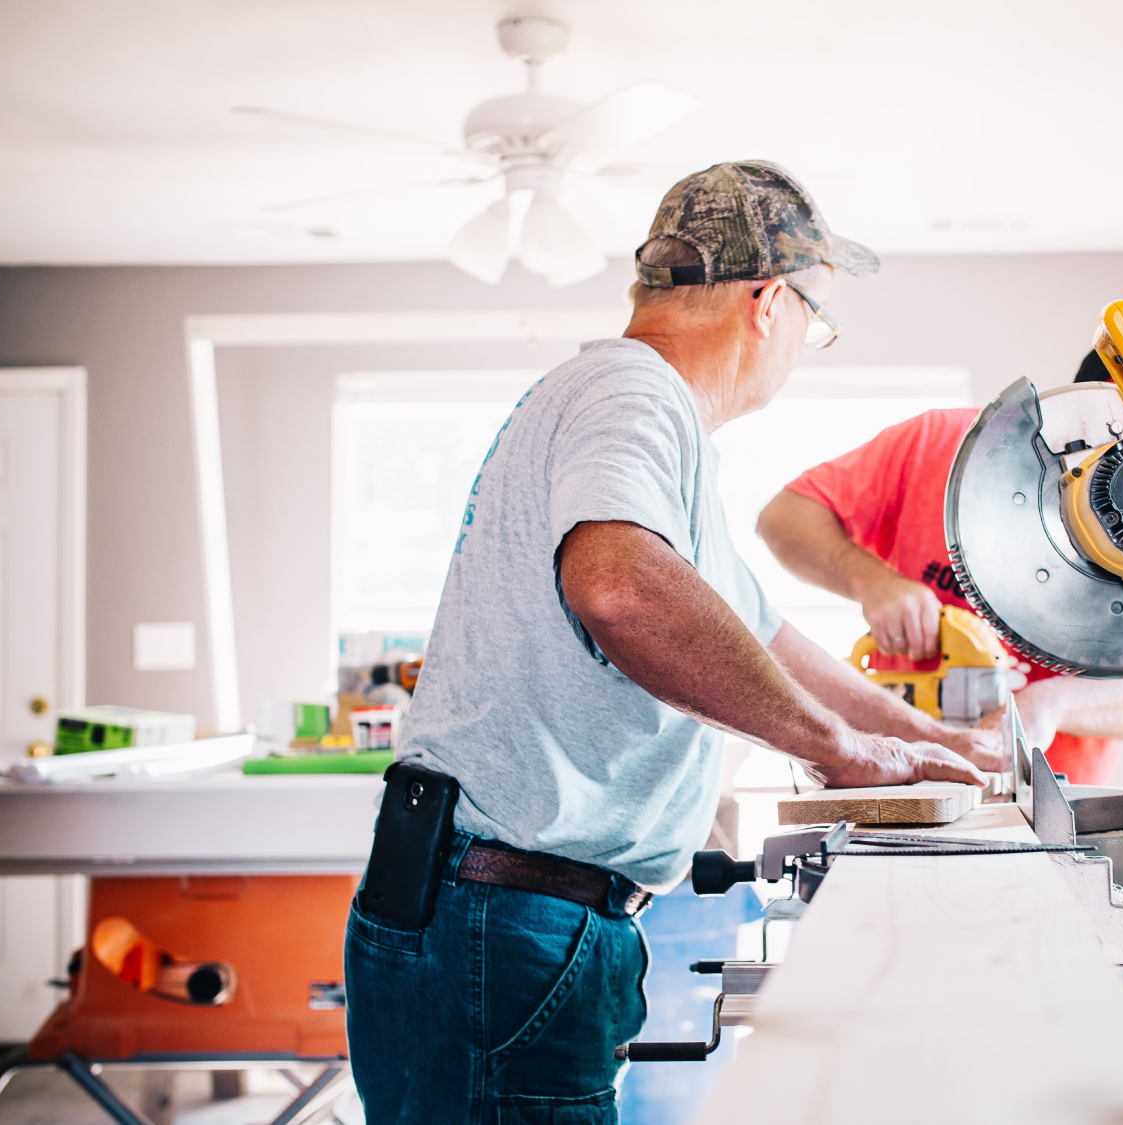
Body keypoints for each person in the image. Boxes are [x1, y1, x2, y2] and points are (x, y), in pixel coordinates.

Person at [344, 161, 1000, 1125]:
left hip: (499, 914)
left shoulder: (640, 419)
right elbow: (618, 588)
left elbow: (764, 633)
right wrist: (836, 749)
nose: (804, 345)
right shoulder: (633, 391)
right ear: (769, 302)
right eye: (816, 321)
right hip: (507, 922)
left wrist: (927, 744)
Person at [755, 350, 1123, 785]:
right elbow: (784, 517)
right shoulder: (939, 443)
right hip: (898, 773)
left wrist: (1054, 702)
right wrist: (872, 581)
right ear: (1067, 408)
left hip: (1053, 804)